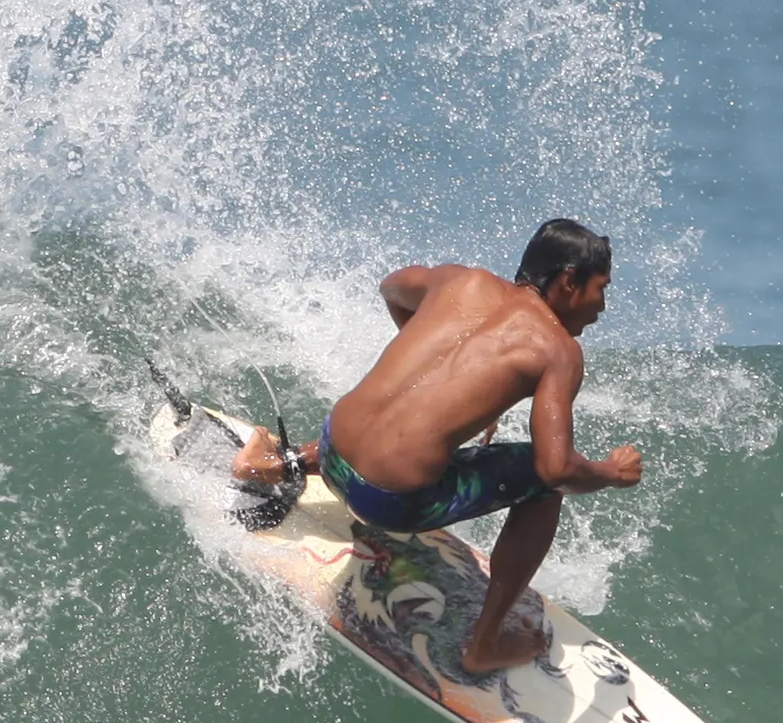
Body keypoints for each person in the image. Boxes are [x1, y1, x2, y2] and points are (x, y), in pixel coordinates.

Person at [236, 217, 643, 675]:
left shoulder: (459, 280)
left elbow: (392, 287)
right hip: (387, 503)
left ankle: (274, 464)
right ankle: (484, 644)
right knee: (540, 483)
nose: (602, 306)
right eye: (601, 289)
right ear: (569, 281)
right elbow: (556, 469)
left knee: (400, 415)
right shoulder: (558, 351)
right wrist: (610, 473)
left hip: (332, 450)